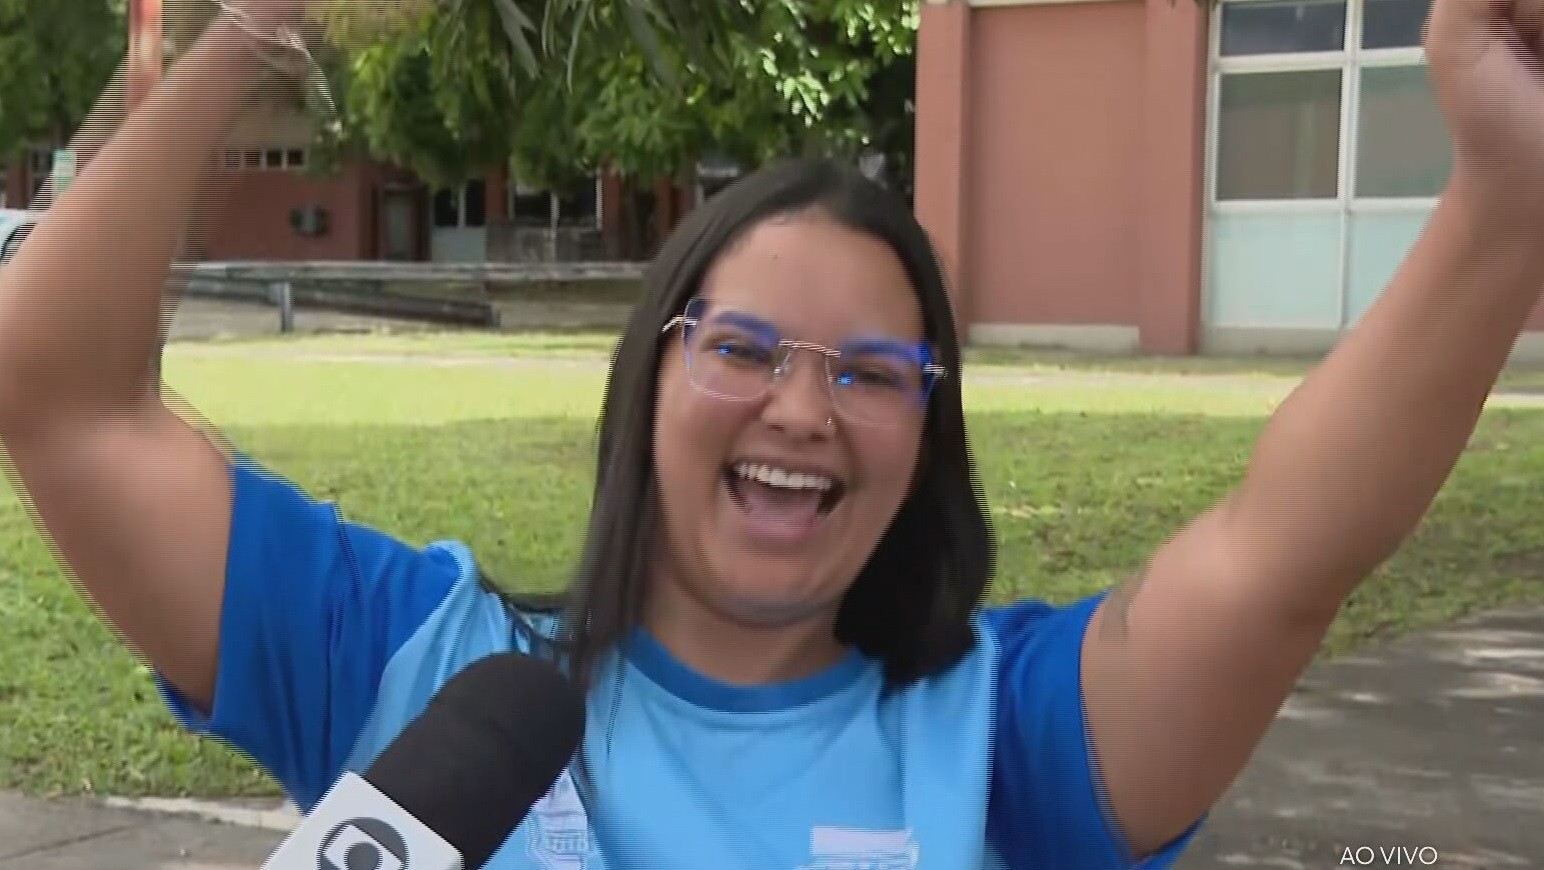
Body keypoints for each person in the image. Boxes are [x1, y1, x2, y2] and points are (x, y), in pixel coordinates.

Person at [2, 0, 1543, 866]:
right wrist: (242, 44)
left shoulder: (1004, 734)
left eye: (874, 370)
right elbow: (58, 394)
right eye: (743, 346)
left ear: (928, 435)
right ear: (647, 384)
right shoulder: (416, 660)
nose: (803, 406)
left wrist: (1506, 190)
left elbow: (1284, 551)